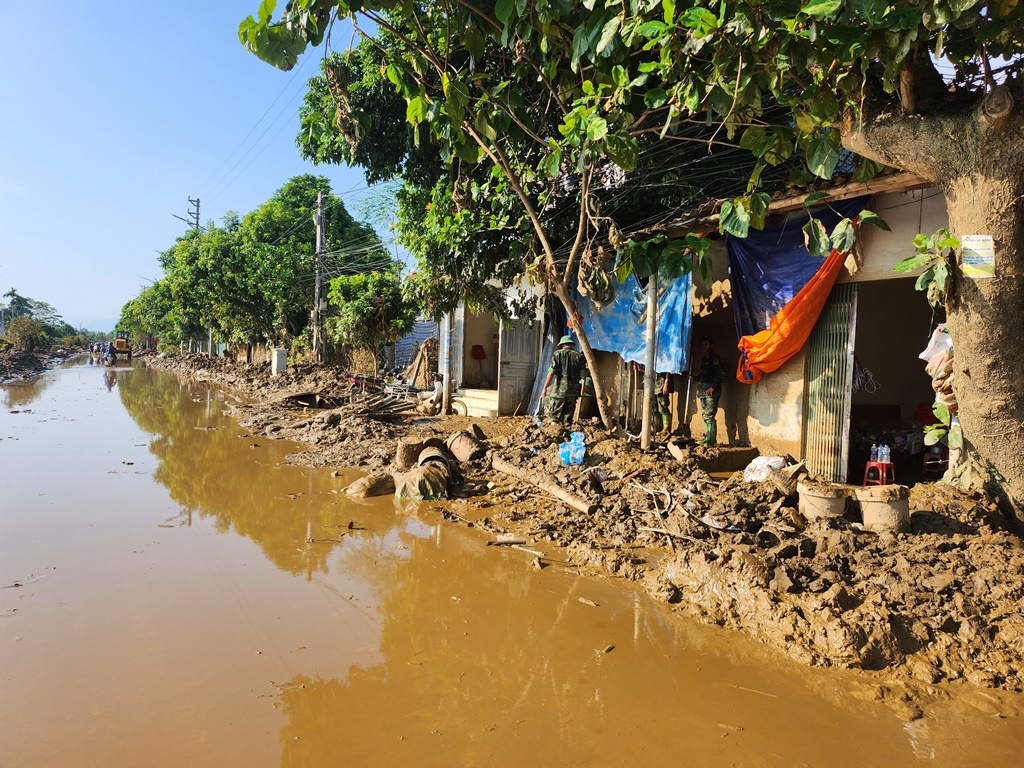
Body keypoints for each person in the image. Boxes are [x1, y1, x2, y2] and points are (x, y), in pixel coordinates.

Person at [541, 335, 589, 427]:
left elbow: (551, 373)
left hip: (558, 391)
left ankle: (554, 433)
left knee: (554, 415)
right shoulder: (580, 356)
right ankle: (566, 435)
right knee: (567, 418)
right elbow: (583, 376)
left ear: (562, 345)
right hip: (573, 391)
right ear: (572, 345)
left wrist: (545, 387)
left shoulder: (557, 354)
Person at [694, 335, 723, 445]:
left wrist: (713, 387)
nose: (704, 347)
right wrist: (694, 378)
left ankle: (711, 439)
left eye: (706, 344)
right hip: (703, 391)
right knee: (705, 415)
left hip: (711, 391)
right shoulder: (704, 359)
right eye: (703, 345)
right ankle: (708, 436)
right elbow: (703, 376)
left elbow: (720, 375)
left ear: (711, 346)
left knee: (709, 414)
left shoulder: (715, 359)